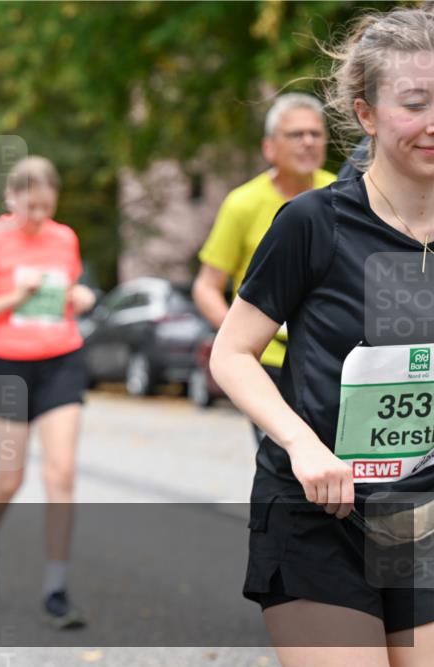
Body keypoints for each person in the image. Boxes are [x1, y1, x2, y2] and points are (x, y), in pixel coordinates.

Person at [210, 7, 433, 665]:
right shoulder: (313, 222)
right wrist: (303, 444)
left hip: (419, 511)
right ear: (366, 115)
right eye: (413, 102)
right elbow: (232, 352)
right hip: (317, 511)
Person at [0, 156, 97, 629]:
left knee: (62, 472)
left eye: (46, 207)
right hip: (6, 364)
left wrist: (82, 299)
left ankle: (56, 588)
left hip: (61, 359)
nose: (38, 217)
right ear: (11, 198)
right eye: (30, 206)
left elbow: (71, 294)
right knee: (10, 478)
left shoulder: (64, 237)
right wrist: (15, 297)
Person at [193, 93, 337, 444]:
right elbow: (206, 286)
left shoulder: (343, 193)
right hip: (268, 361)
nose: (308, 142)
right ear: (269, 147)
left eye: (316, 134)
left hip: (329, 358)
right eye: (296, 134)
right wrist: (240, 335)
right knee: (289, 460)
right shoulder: (242, 204)